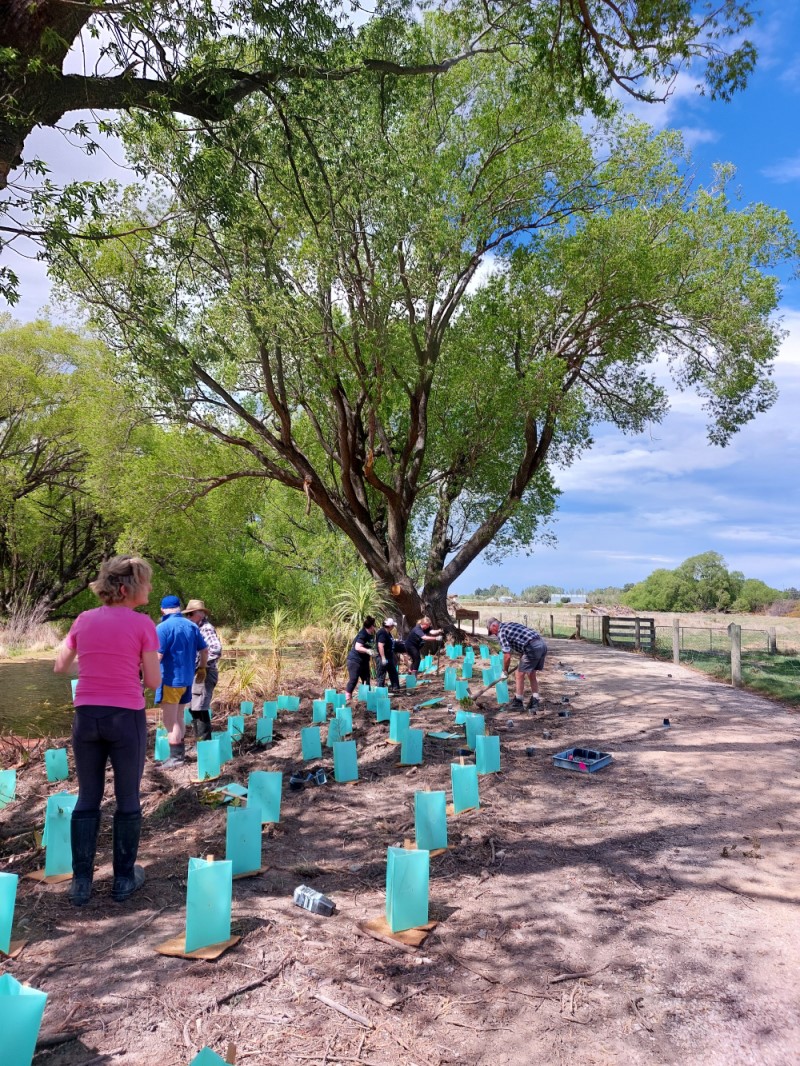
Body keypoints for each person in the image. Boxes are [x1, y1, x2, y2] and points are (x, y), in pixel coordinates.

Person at [54, 555, 161, 906]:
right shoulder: (143, 625)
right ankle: (123, 881)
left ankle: (81, 885)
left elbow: (60, 666)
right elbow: (153, 681)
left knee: (87, 797)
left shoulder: (83, 620)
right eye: (145, 582)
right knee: (128, 797)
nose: (149, 587)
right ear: (125, 588)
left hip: (86, 715)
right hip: (125, 716)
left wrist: (95, 666)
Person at [156, 595, 208, 768]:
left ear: (163, 609)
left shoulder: (162, 628)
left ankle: (176, 758)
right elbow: (204, 649)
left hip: (170, 680)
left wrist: (142, 675)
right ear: (179, 608)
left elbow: (158, 656)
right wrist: (202, 668)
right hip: (187, 680)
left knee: (170, 721)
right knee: (179, 716)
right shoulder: (192, 626)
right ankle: (179, 755)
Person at [486, 616, 548, 711]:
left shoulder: (501, 632)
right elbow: (522, 640)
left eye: (492, 631)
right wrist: (522, 659)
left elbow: (507, 655)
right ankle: (535, 700)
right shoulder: (509, 624)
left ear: (494, 626)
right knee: (531, 673)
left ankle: (518, 702)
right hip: (541, 645)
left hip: (531, 647)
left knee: (519, 674)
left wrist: (505, 671)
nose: (494, 634)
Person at [183, 599, 222, 746]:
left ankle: (204, 745)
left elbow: (216, 649)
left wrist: (202, 666)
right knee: (194, 708)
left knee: (199, 709)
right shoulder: (196, 628)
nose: (189, 618)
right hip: (198, 672)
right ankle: (201, 744)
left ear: (198, 614)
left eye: (190, 614)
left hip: (204, 672)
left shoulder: (205, 628)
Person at [344, 616, 377, 702]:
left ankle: (366, 698)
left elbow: (371, 646)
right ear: (371, 626)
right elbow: (358, 647)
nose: (375, 628)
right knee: (354, 679)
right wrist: (367, 650)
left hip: (364, 661)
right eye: (374, 625)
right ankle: (347, 697)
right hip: (355, 660)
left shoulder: (371, 635)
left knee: (366, 679)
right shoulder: (363, 634)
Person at [376, 617, 402, 693]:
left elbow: (389, 641)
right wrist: (383, 658)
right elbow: (380, 645)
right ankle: (380, 692)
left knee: (393, 672)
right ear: (390, 626)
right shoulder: (382, 633)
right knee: (381, 674)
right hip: (382, 657)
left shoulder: (388, 633)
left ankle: (396, 688)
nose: (394, 627)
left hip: (389, 656)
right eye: (393, 626)